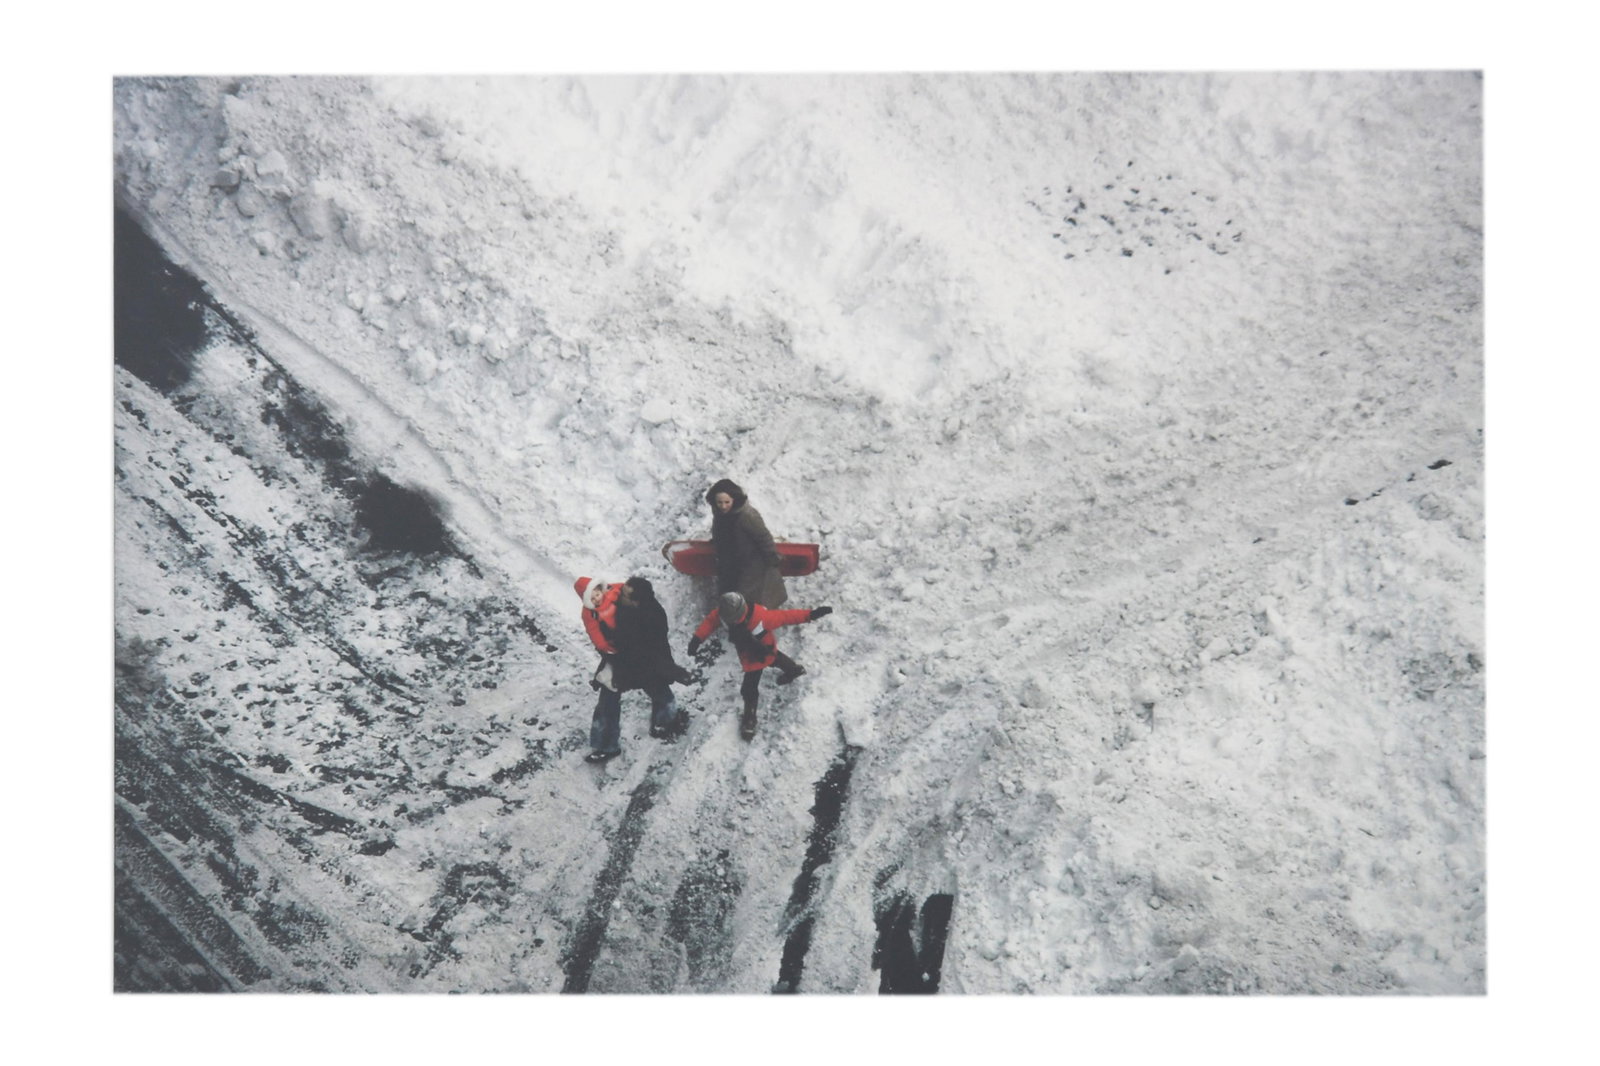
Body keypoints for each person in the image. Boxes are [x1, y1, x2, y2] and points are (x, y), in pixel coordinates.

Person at [576, 575, 691, 764]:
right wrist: (608, 651)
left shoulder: (651, 617)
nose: (619, 594)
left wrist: (672, 670)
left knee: (658, 686)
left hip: (641, 659)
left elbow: (656, 651)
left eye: (625, 595)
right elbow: (598, 634)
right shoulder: (618, 601)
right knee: (608, 698)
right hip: (619, 656)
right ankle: (606, 745)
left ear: (636, 602)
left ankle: (665, 723)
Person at [688, 591, 832, 740]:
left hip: (759, 656)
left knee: (749, 689)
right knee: (777, 659)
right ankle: (794, 670)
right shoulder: (725, 615)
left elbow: (787, 616)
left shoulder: (761, 617)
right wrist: (697, 639)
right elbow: (711, 621)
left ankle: (750, 721)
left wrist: (811, 614)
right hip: (763, 652)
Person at [706, 478, 787, 608]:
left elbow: (764, 537)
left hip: (750, 565)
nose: (723, 506)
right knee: (730, 600)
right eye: (719, 502)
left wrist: (772, 558)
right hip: (729, 564)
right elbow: (721, 530)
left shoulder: (747, 516)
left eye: (727, 502)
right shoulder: (719, 513)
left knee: (749, 603)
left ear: (734, 499)